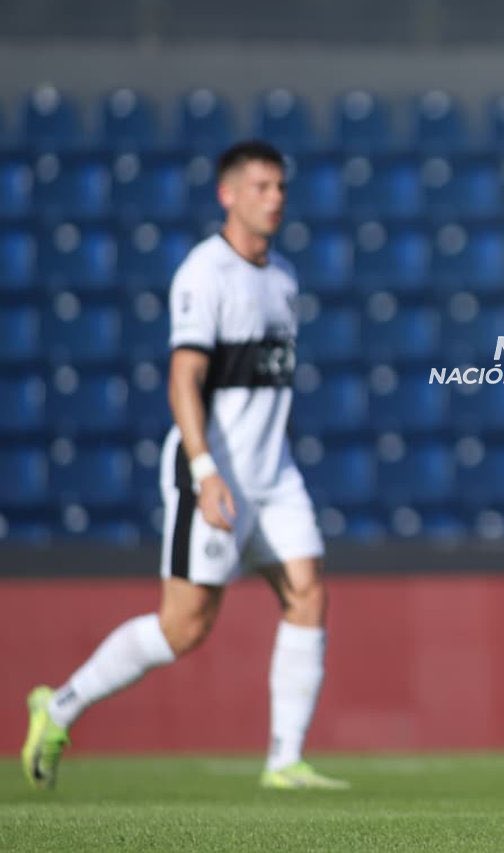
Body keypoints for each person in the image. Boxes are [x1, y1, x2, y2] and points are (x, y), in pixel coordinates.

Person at [21, 140, 348, 792]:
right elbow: (183, 379)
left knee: (309, 590)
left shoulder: (283, 276)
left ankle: (284, 760)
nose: (274, 197)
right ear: (227, 194)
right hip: (211, 471)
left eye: (280, 186)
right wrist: (204, 469)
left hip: (273, 473)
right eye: (260, 186)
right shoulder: (205, 273)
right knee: (184, 625)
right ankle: (57, 707)